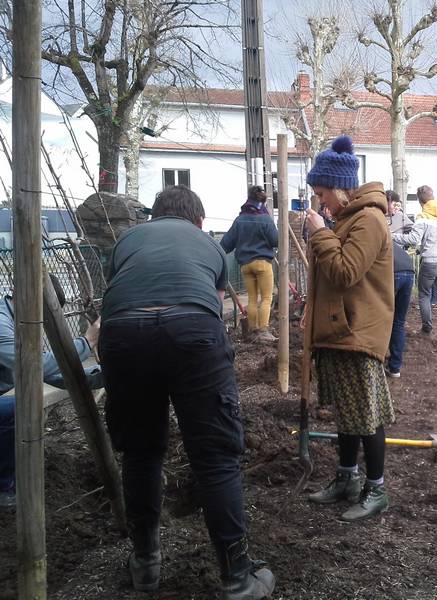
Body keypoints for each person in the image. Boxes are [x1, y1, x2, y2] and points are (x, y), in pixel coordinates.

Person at [99, 185, 274, 599]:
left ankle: (145, 564)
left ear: (153, 217)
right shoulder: (206, 243)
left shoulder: (128, 240)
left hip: (122, 333)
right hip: (193, 330)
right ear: (197, 220)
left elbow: (117, 293)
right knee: (215, 458)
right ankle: (237, 578)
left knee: (140, 452)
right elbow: (212, 306)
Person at [303, 135, 395, 522]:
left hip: (359, 334)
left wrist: (319, 232)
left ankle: (376, 489)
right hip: (341, 332)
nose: (320, 202)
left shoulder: (369, 220)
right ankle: (347, 479)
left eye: (322, 193)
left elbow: (344, 273)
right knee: (348, 412)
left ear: (341, 188)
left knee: (367, 415)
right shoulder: (347, 219)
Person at [0, 277, 103, 509]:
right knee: (18, 409)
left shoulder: (20, 322)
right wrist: (86, 342)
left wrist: (99, 375)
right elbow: (35, 365)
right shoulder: (2, 322)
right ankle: (3, 486)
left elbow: (50, 374)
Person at [393, 185, 437, 349]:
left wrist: (391, 235)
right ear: (433, 196)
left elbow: (413, 239)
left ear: (419, 200)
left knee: (424, 295)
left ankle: (427, 327)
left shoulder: (423, 217)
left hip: (430, 262)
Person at [221, 186, 279, 341]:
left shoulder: (240, 219)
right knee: (266, 298)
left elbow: (226, 244)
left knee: (252, 299)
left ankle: (252, 330)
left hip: (245, 265)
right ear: (263, 201)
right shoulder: (265, 218)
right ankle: (263, 331)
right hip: (262, 264)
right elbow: (275, 240)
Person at [385, 239, 415, 378]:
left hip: (393, 272)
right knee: (398, 322)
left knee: (380, 318)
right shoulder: (389, 240)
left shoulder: (371, 236)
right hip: (409, 271)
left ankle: (377, 360)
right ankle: (395, 368)